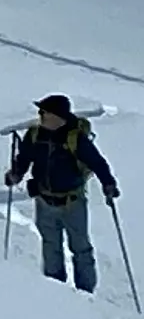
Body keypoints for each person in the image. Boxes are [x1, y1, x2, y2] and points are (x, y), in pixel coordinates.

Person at [11, 93, 122, 293]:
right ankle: (55, 291)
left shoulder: (75, 138)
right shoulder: (35, 135)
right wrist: (16, 174)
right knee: (50, 245)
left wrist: (109, 184)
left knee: (80, 248)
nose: (40, 115)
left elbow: (97, 162)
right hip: (44, 201)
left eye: (44, 112)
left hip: (73, 203)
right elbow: (25, 158)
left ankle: (86, 293)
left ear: (57, 116)